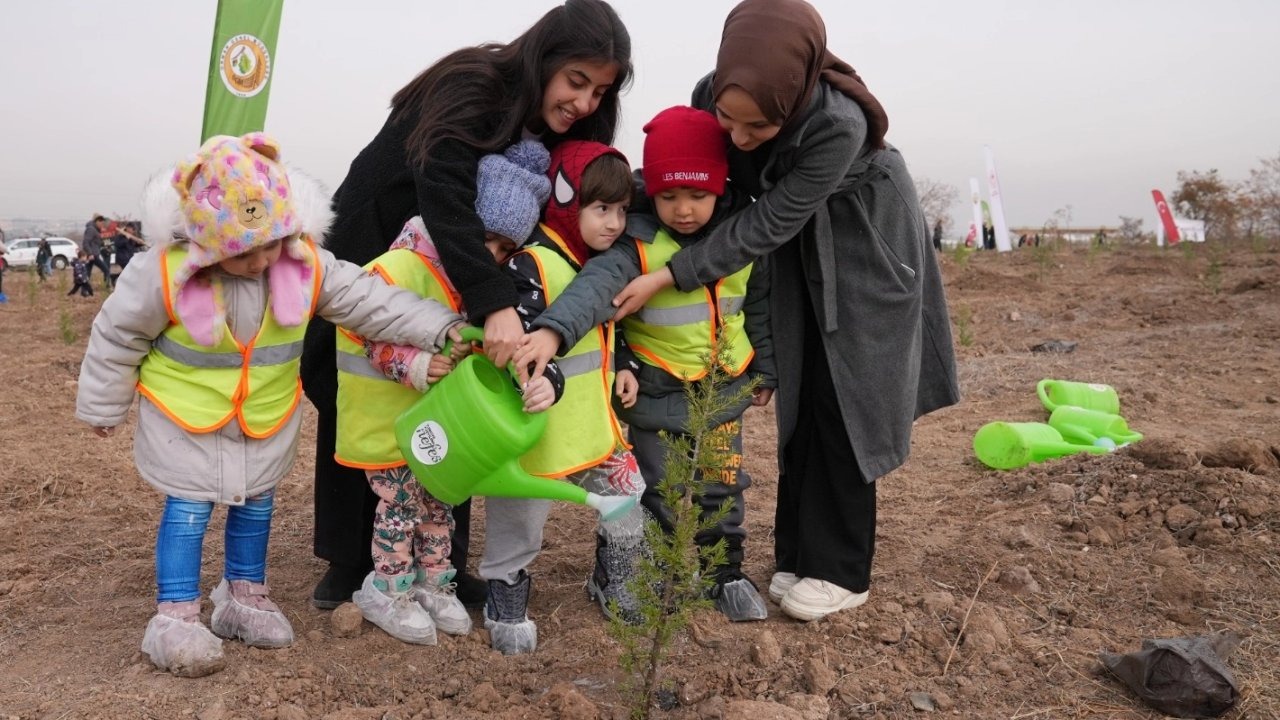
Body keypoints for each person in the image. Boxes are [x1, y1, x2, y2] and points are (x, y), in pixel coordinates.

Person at [553, 0, 960, 622]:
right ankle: (798, 554)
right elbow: (702, 178)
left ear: (793, 101)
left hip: (861, 242)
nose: (738, 138)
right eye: (728, 121)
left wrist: (668, 273)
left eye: (757, 131)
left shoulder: (838, 124)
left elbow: (764, 218)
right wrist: (621, 205)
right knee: (799, 385)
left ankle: (841, 569)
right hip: (787, 249)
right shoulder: (712, 93)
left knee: (846, 394)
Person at [74, 133, 466, 678]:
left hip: (263, 416)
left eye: (272, 243)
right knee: (188, 512)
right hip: (184, 418)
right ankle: (177, 615)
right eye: (244, 251)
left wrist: (440, 326)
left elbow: (368, 301)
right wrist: (101, 406)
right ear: (209, 243)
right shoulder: (163, 272)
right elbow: (116, 336)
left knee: (256, 505)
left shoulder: (304, 264)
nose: (262, 260)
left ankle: (245, 596)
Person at [299, 0, 633, 612]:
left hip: (465, 254)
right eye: (576, 82)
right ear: (544, 60)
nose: (584, 103)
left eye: (600, 91)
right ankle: (348, 561)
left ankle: (441, 565)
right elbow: (444, 192)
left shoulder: (562, 131)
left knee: (453, 392)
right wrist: (494, 303)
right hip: (380, 240)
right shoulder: (474, 83)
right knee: (361, 388)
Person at [519, 107, 777, 622]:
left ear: (720, 188)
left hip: (723, 390)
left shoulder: (741, 236)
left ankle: (722, 573)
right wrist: (552, 330)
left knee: (721, 487)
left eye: (698, 196)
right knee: (656, 492)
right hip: (655, 391)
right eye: (668, 197)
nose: (684, 211)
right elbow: (592, 290)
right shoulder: (635, 243)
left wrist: (765, 367)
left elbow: (760, 304)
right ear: (650, 193)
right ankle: (641, 574)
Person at [335, 140, 560, 646]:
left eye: (507, 251)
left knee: (438, 504)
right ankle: (387, 588)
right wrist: (417, 365)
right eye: (490, 241)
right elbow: (363, 334)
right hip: (387, 419)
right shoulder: (394, 269)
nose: (495, 259)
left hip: (436, 422)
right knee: (398, 506)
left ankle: (435, 583)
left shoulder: (467, 284)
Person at [481, 139, 648, 655]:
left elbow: (607, 330)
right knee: (518, 517)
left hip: (593, 424)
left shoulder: (597, 263)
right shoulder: (529, 264)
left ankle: (614, 580)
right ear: (566, 198)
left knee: (627, 496)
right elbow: (516, 347)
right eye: (601, 209)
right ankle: (504, 599)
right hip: (533, 429)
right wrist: (544, 380)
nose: (615, 223)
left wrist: (625, 366)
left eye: (622, 210)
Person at [81, 215, 113, 286]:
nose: (102, 226)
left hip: (93, 255)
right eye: (102, 223)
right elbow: (85, 242)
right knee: (106, 270)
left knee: (87, 273)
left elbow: (97, 242)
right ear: (97, 221)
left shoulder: (95, 230)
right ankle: (107, 287)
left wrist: (106, 245)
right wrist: (90, 254)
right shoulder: (91, 229)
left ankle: (84, 290)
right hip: (93, 255)